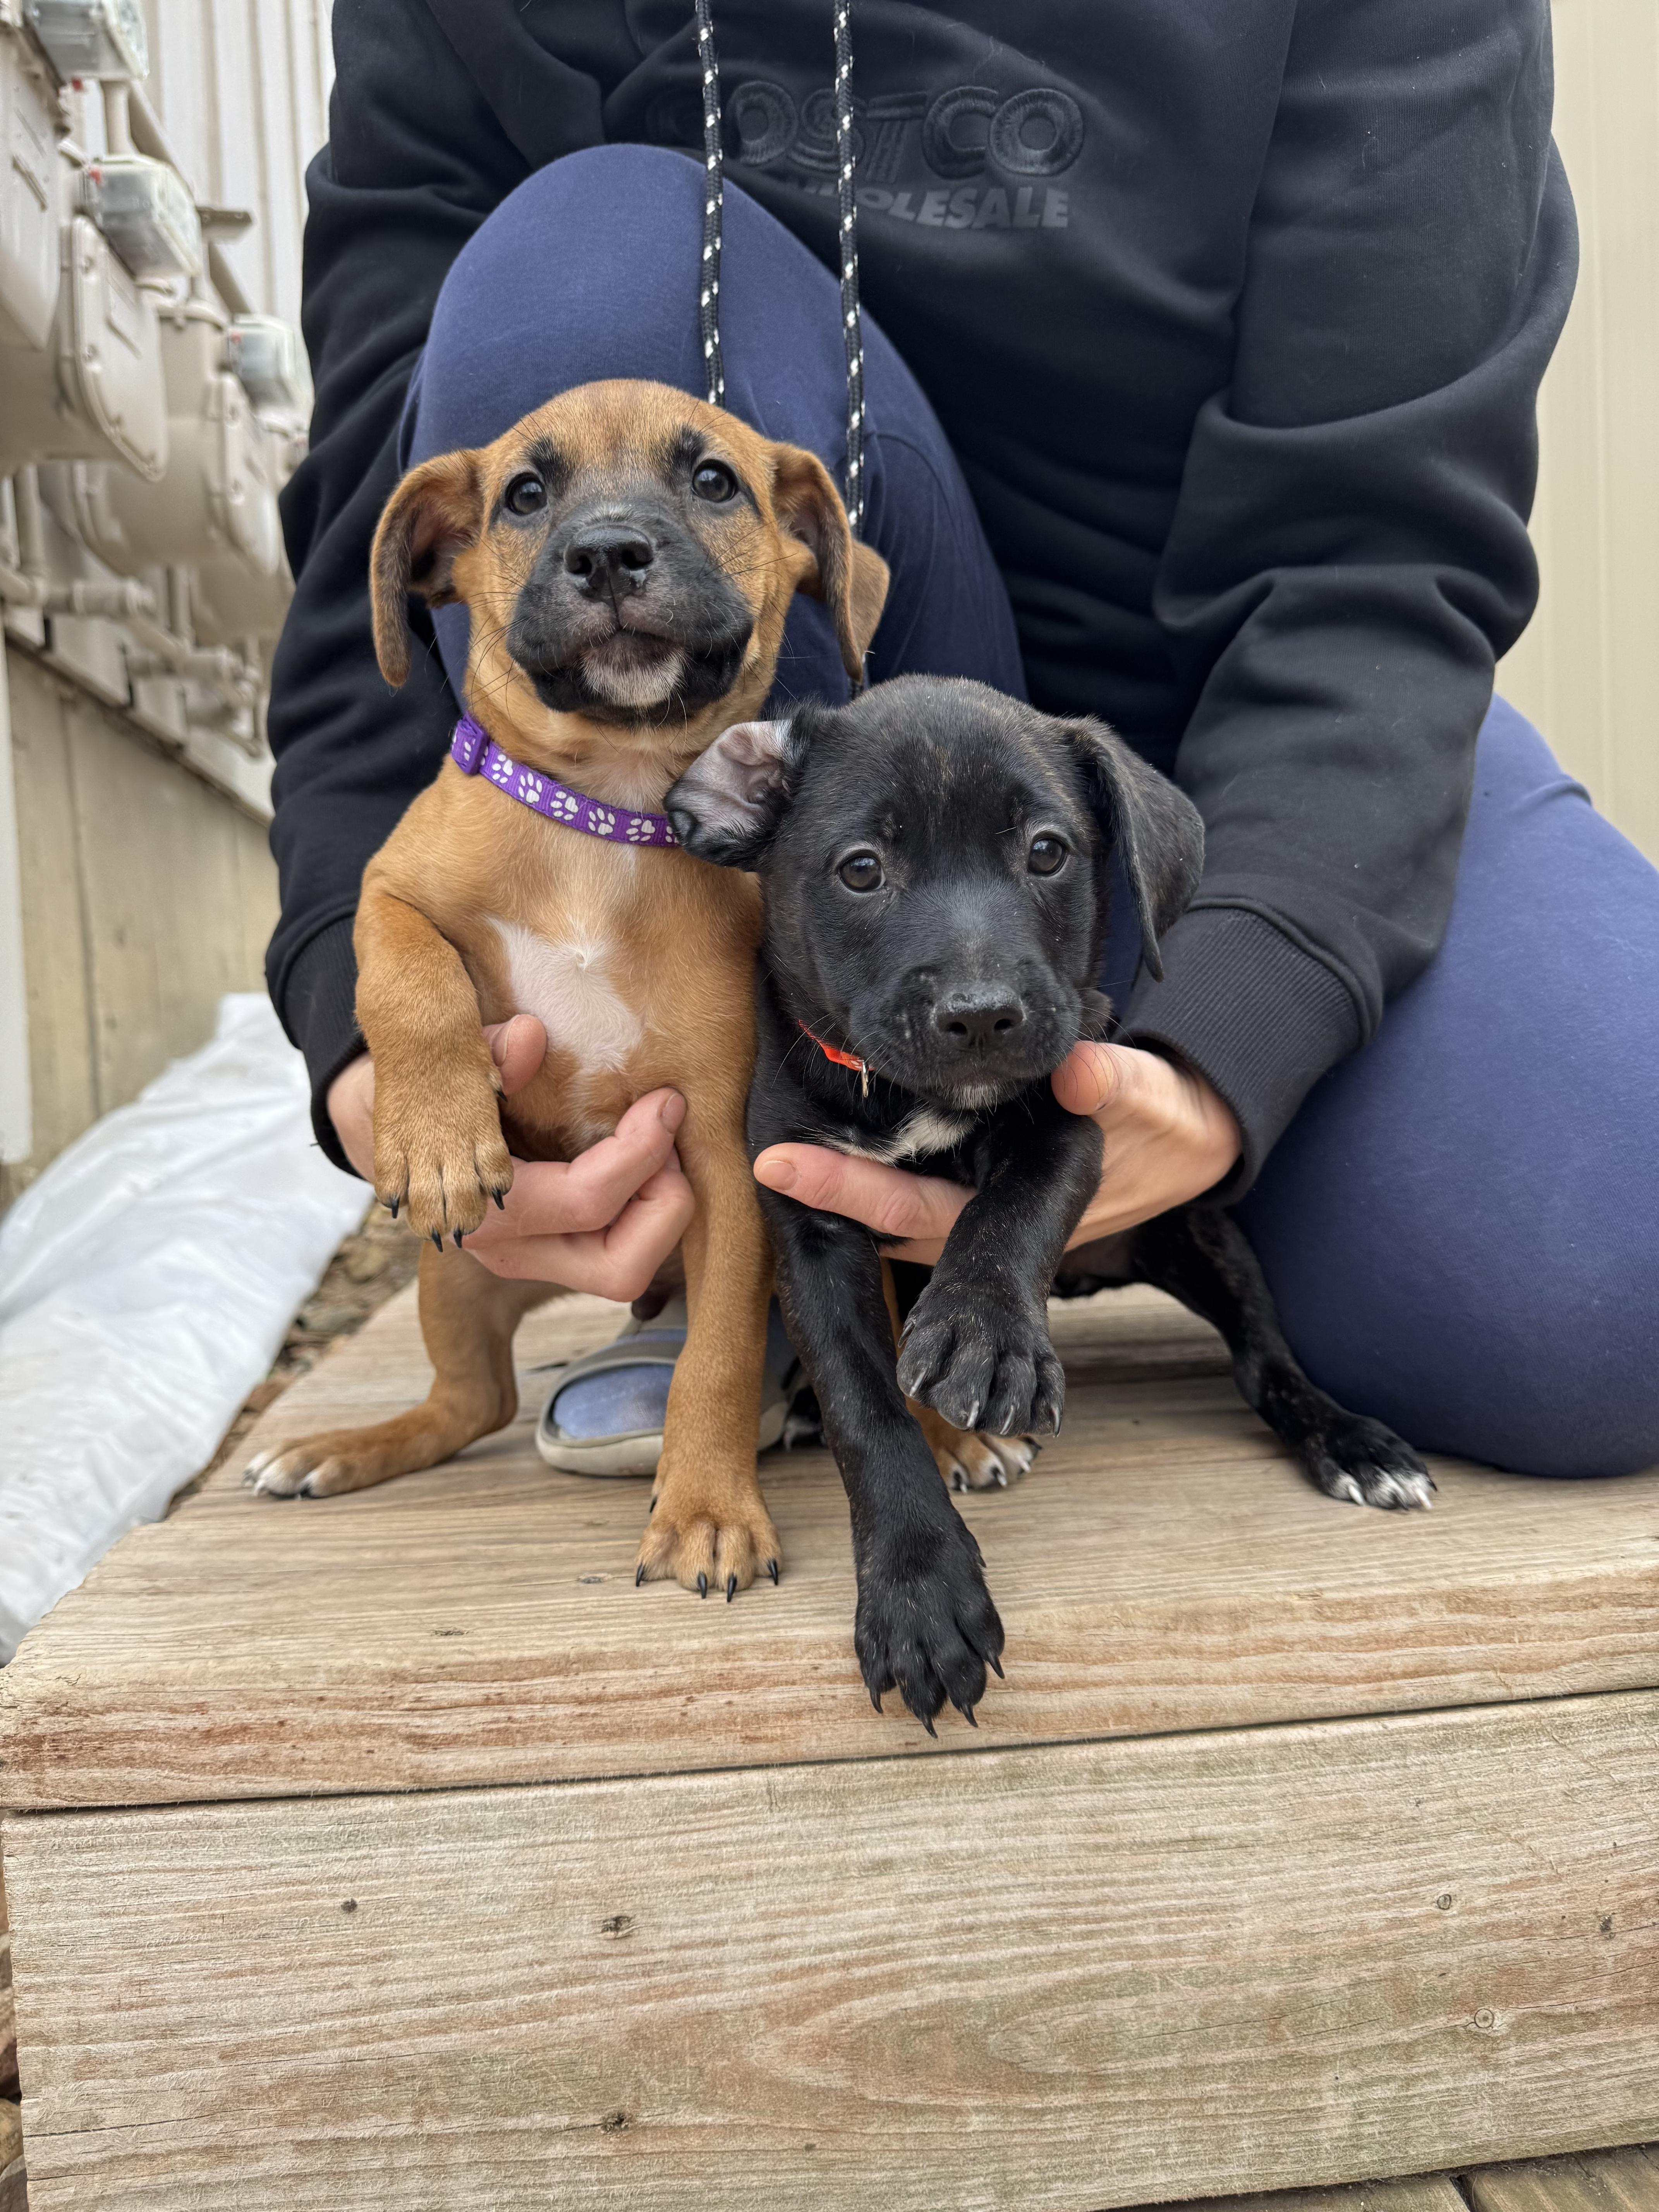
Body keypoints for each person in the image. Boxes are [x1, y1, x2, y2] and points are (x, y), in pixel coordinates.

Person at [266, 0, 1659, 1482]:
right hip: (802, 771)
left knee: (1597, 1297)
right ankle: (775, 1255)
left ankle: (1097, 1208)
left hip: (1239, 721)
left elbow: (1381, 545)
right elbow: (378, 519)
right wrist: (375, 1037)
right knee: (579, 271)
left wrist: (1241, 1026)